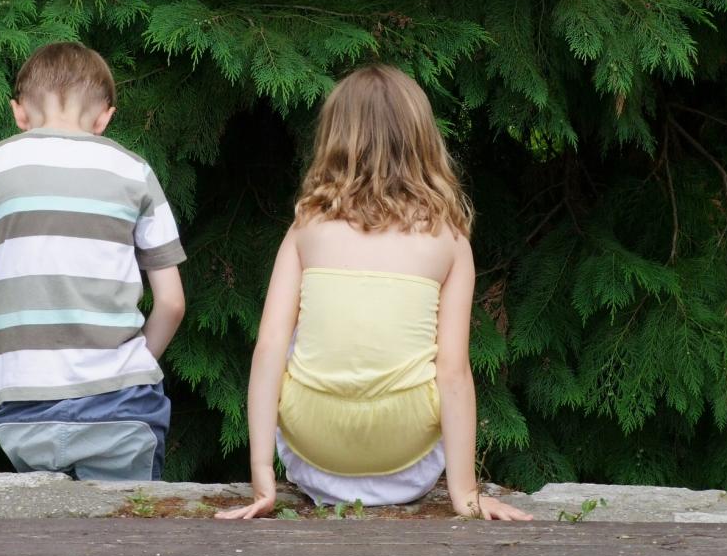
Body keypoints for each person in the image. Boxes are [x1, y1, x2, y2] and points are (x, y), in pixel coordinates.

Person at [217, 65, 531, 521]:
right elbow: (454, 374)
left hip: (314, 462)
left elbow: (267, 350)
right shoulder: (450, 241)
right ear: (423, 141)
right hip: (406, 469)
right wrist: (465, 494)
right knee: (437, 360)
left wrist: (262, 474)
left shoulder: (306, 229)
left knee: (285, 339)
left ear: (334, 140)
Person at [0, 42, 186, 481]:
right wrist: (129, 369)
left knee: (49, 532)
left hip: (24, 404)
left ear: (19, 113)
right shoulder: (134, 172)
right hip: (123, 402)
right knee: (128, 533)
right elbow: (172, 303)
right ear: (104, 118)